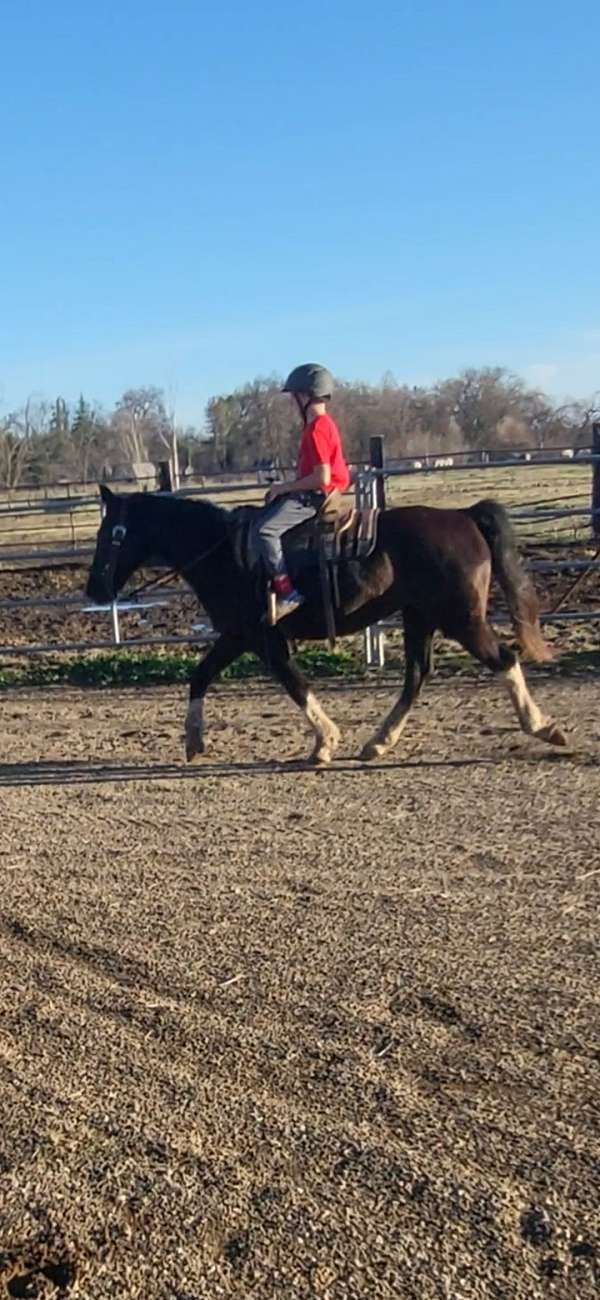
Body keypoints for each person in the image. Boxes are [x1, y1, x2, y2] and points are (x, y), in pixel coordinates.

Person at [257, 363, 351, 620]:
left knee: (265, 530)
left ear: (305, 396)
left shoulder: (317, 428)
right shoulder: (324, 424)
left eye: (294, 397)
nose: (292, 403)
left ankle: (287, 592)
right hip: (320, 492)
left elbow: (322, 477)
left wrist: (283, 487)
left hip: (316, 497)